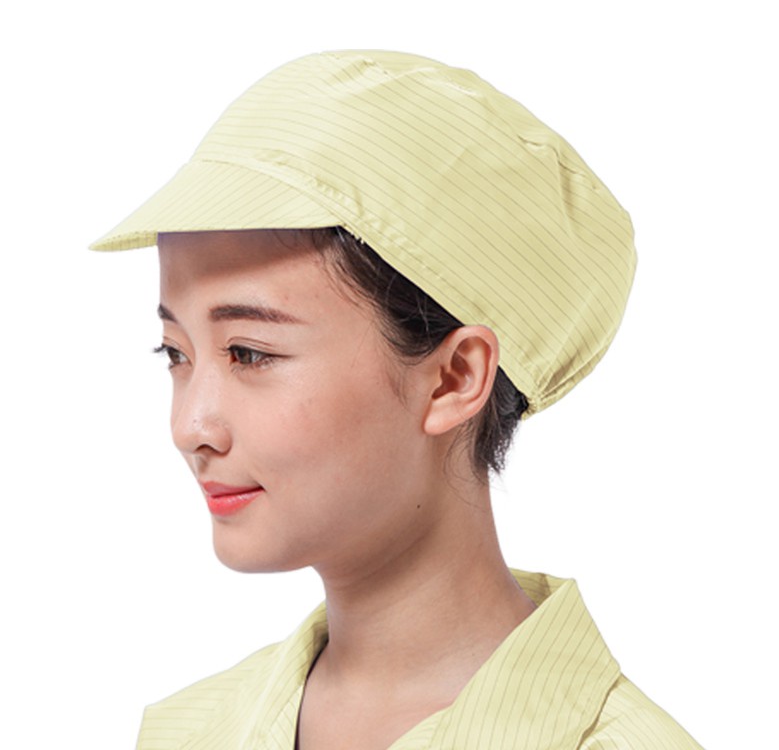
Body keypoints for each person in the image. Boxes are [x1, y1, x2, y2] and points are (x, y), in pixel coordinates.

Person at [92, 50, 702, 749]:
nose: (189, 426)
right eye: (175, 354)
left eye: (250, 353)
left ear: (454, 378)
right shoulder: (184, 732)